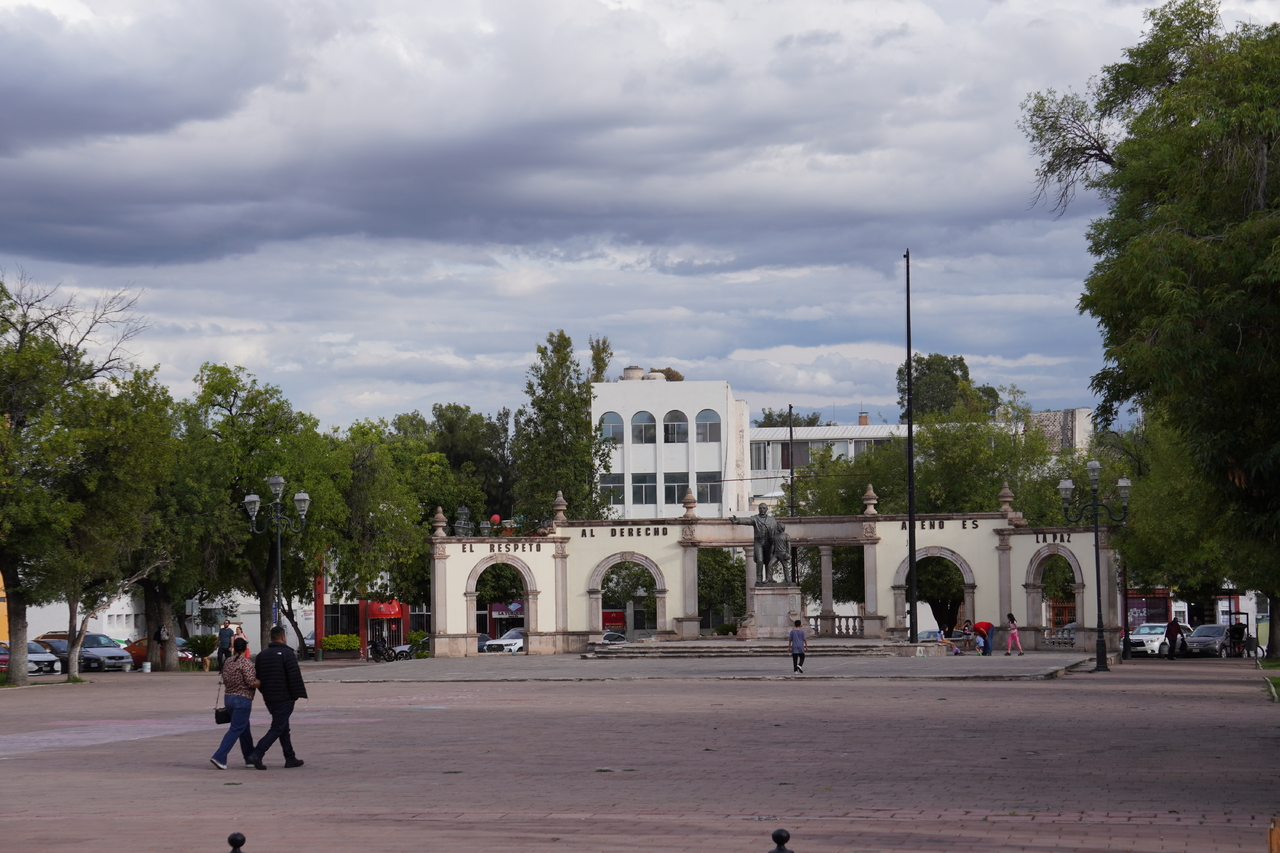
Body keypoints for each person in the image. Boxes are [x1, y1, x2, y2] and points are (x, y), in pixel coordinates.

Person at [247, 625, 308, 770]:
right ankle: (257, 753)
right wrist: (295, 695)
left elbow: (258, 677)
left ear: (271, 638)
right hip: (284, 697)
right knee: (277, 727)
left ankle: (290, 757)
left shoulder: (261, 655)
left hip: (269, 697)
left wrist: (265, 692)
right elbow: (294, 676)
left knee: (283, 727)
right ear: (283, 637)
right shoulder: (287, 654)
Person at [210, 637, 259, 770]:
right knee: (236, 728)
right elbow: (251, 682)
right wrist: (261, 682)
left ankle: (249, 757)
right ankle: (219, 756)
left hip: (229, 698)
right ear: (245, 649)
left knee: (244, 728)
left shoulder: (228, 661)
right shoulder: (246, 663)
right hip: (242, 699)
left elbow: (225, 678)